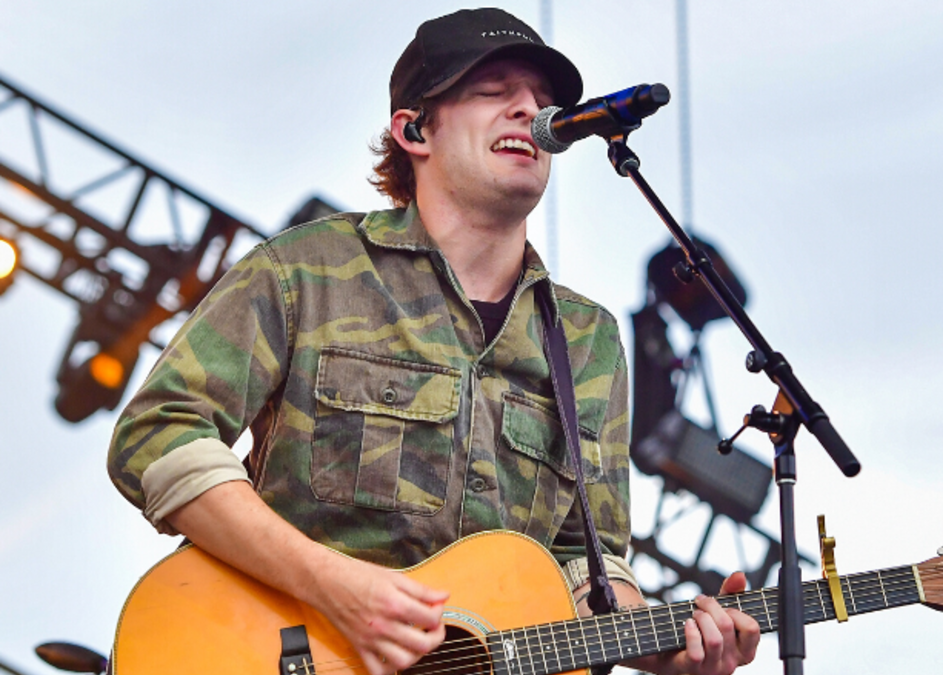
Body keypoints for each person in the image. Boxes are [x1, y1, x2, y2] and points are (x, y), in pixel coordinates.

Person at [107, 8, 759, 675]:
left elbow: (585, 566)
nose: (530, 110)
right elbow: (157, 434)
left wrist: (667, 651)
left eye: (542, 100)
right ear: (414, 129)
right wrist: (334, 587)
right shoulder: (306, 269)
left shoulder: (588, 340)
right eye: (493, 90)